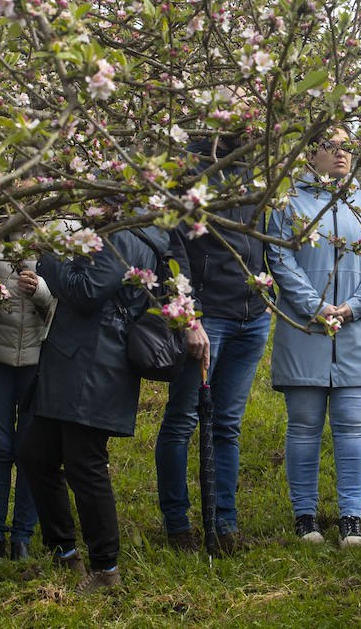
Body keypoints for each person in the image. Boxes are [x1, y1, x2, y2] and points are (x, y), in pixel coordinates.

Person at [267, 128, 361, 546]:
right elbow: (280, 259)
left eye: (347, 147)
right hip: (305, 331)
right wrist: (316, 306)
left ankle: (351, 519)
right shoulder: (288, 206)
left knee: (353, 427)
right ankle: (305, 518)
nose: (341, 154)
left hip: (357, 334)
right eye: (331, 146)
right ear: (311, 154)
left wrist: (355, 306)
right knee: (303, 427)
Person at [26, 217, 170, 593]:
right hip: (74, 359)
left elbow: (87, 290)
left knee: (85, 465)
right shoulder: (117, 232)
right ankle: (63, 553)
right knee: (36, 454)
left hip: (94, 364)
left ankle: (106, 569)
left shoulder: (124, 236)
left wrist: (52, 254)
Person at [155, 132, 271, 553]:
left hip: (252, 318)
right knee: (183, 420)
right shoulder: (187, 171)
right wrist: (190, 316)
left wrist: (267, 298)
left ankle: (225, 523)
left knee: (227, 425)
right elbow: (173, 251)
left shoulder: (261, 171)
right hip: (208, 319)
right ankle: (178, 524)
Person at [0, 256, 54, 560]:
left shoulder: (59, 232)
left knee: (29, 451)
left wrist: (40, 290)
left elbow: (64, 298)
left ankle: (22, 538)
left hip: (35, 358)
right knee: (0, 448)